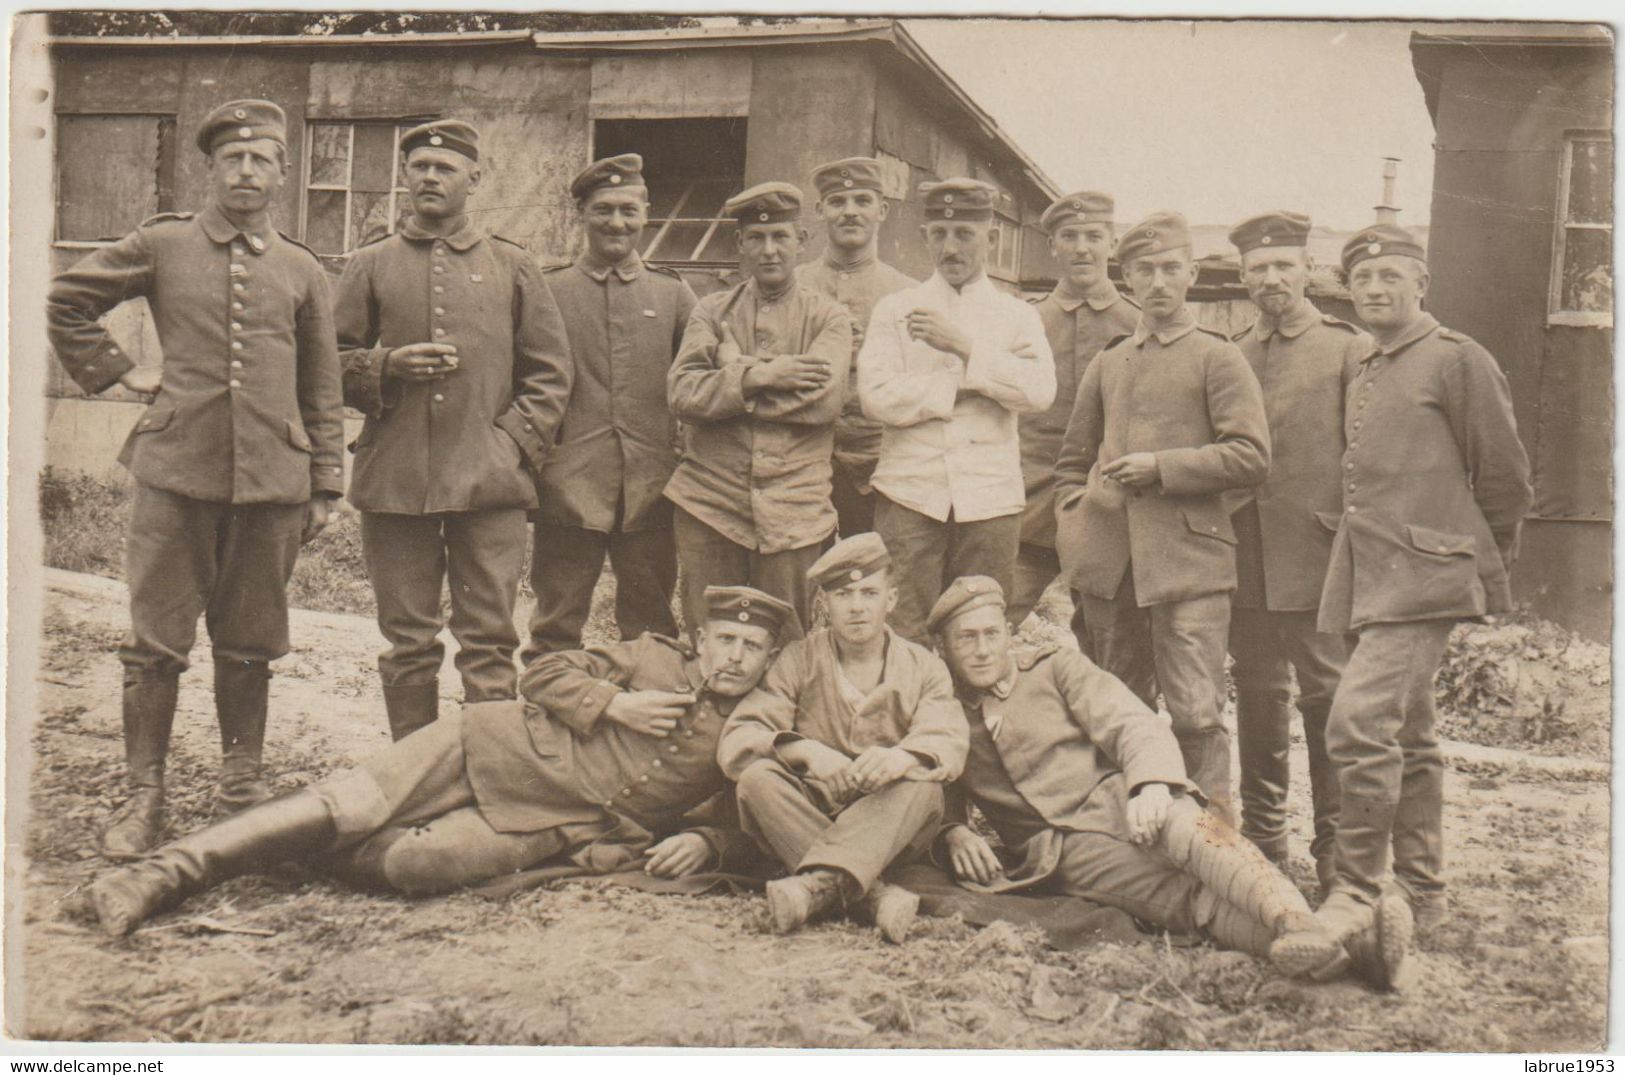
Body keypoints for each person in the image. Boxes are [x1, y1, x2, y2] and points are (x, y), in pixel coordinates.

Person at [88, 586, 795, 936]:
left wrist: (707, 838)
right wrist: (611, 703)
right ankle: (163, 874)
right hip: (490, 744)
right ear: (700, 638)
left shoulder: (756, 722)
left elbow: (746, 812)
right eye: (724, 638)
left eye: (750, 646)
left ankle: (282, 842)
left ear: (767, 659)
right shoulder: (650, 655)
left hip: (559, 821)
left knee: (418, 866)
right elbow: (541, 672)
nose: (733, 655)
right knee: (355, 805)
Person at [46, 100, 345, 857]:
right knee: (157, 644)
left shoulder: (303, 267)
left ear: (282, 172)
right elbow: (66, 299)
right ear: (210, 169)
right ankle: (144, 794)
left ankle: (240, 788)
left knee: (250, 643)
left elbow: (322, 385)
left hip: (273, 485)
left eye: (262, 160)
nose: (247, 171)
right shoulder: (164, 243)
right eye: (233, 159)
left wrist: (326, 483)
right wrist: (121, 373)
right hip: (175, 474)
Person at [928, 577, 1409, 988]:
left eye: (992, 633)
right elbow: (937, 781)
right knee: (1184, 901)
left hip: (1122, 797)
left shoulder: (1056, 669)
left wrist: (1150, 785)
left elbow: (1131, 724)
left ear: (1010, 634)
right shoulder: (941, 712)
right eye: (966, 638)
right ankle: (1349, 953)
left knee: (1198, 835)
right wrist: (954, 829)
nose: (983, 648)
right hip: (1060, 851)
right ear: (943, 648)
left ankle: (1298, 922)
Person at [1313, 224, 1533, 949]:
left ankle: (1353, 889)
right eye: (1364, 280)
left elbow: (1503, 475)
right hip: (1369, 574)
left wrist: (1473, 564)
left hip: (1424, 576)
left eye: (1391, 279)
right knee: (1408, 733)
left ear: (1420, 286)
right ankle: (1423, 892)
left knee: (1355, 724)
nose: (1375, 290)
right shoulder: (1365, 363)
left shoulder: (1456, 359)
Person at [335, 119, 573, 740]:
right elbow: (323, 364)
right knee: (408, 640)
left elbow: (551, 373)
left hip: (489, 484)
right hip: (395, 481)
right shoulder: (370, 264)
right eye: (418, 167)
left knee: (490, 639)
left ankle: (486, 779)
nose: (430, 177)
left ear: (475, 177)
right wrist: (386, 365)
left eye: (444, 168)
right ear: (405, 177)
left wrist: (510, 445)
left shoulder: (514, 265)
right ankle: (414, 776)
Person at [1052, 210, 1270, 824]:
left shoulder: (1217, 358)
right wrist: (1078, 523)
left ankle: (1213, 846)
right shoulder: (1110, 360)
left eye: (1171, 268)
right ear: (1126, 278)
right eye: (1143, 270)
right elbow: (1071, 461)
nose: (1158, 282)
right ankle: (1119, 840)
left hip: (1190, 565)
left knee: (1197, 715)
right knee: (1117, 710)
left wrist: (1163, 467)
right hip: (1110, 566)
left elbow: (1252, 456)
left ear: (1192, 274)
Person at [717, 534, 969, 943]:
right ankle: (871, 895)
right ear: (824, 604)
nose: (856, 607)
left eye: (869, 592)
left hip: (888, 821)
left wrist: (903, 758)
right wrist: (806, 751)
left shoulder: (924, 667)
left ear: (891, 599)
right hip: (811, 809)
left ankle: (819, 887)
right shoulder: (798, 659)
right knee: (757, 779)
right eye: (842, 594)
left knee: (922, 789)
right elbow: (740, 737)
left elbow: (947, 737)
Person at [1224, 210, 1368, 893]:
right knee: (1255, 694)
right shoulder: (1229, 350)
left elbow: (1367, 457)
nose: (1270, 278)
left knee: (1327, 697)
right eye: (1257, 268)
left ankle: (1336, 849)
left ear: (1307, 268)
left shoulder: (1347, 348)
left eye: (1282, 264)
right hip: (1245, 555)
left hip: (1320, 552)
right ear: (1242, 277)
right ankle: (1263, 836)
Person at [858, 178, 1056, 644]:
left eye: (965, 234)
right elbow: (877, 396)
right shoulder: (895, 309)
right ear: (926, 236)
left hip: (989, 499)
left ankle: (974, 719)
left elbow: (1038, 392)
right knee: (905, 628)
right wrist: (964, 389)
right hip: (910, 494)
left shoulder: (1017, 316)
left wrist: (963, 347)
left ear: (991, 238)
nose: (951, 247)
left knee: (980, 632)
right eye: (940, 234)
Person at [525, 154, 697, 658]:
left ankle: (646, 723)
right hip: (567, 487)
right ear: (581, 213)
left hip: (651, 489)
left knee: (651, 628)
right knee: (555, 622)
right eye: (603, 209)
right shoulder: (548, 291)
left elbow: (699, 378)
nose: (616, 222)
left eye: (628, 209)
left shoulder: (673, 294)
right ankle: (549, 721)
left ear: (647, 214)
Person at [664, 182, 851, 639]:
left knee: (788, 643)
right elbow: (683, 393)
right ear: (740, 244)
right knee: (710, 640)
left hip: (794, 510)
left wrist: (733, 370)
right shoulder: (710, 312)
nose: (769, 250)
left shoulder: (829, 317)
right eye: (757, 238)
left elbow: (823, 402)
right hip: (711, 504)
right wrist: (762, 377)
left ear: (801, 241)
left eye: (780, 237)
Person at [1010, 191, 1138, 631]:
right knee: (991, 622)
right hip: (1029, 505)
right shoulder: (1024, 321)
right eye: (1069, 236)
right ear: (1052, 246)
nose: (1082, 247)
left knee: (1109, 641)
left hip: (1111, 511)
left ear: (1112, 243)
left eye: (1093, 236)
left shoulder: (1138, 325)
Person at [797, 157, 917, 536]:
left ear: (881, 210)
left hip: (880, 465)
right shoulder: (792, 287)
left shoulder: (908, 293)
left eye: (862, 201)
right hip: (803, 461)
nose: (850, 212)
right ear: (819, 210)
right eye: (837, 202)